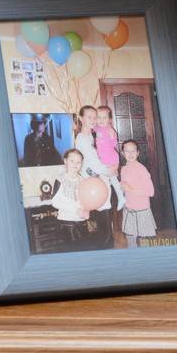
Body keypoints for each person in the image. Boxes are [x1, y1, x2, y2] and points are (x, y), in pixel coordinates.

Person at [73, 105, 115, 248]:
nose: (93, 120)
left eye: (95, 117)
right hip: (95, 185)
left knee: (105, 224)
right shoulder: (81, 139)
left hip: (101, 181)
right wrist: (111, 172)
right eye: (89, 117)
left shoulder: (92, 135)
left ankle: (109, 249)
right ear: (81, 118)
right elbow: (92, 165)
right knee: (103, 226)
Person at [48, 148, 90, 250]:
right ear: (65, 161)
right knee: (71, 251)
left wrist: (87, 210)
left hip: (81, 222)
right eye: (72, 161)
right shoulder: (60, 179)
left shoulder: (83, 180)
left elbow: (87, 200)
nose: (75, 164)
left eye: (78, 162)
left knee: (84, 249)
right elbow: (55, 202)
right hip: (67, 223)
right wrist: (75, 210)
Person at [118, 140, 157, 248]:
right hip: (129, 210)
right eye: (127, 151)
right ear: (123, 153)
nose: (130, 154)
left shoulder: (141, 169)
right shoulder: (124, 169)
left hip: (142, 212)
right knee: (130, 241)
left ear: (138, 152)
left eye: (133, 151)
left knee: (145, 244)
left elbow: (150, 191)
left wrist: (130, 189)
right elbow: (125, 188)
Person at [94, 106, 127, 207]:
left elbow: (114, 144)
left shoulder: (109, 130)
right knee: (111, 181)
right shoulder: (97, 128)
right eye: (99, 117)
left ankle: (108, 202)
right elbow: (91, 126)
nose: (101, 120)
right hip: (103, 160)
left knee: (108, 181)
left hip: (110, 159)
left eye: (104, 118)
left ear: (109, 120)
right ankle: (120, 198)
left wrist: (112, 134)